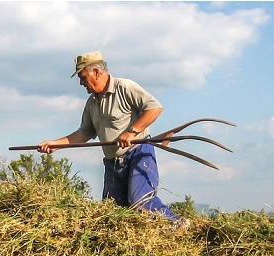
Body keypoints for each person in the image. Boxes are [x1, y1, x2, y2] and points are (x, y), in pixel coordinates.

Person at [38, 51, 183, 224]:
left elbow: (154, 108)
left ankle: (177, 224)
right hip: (113, 163)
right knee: (111, 213)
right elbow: (84, 133)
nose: (81, 83)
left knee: (141, 201)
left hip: (137, 153)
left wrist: (132, 132)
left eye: (83, 77)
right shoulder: (92, 103)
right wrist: (56, 144)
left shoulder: (125, 87)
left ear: (97, 72)